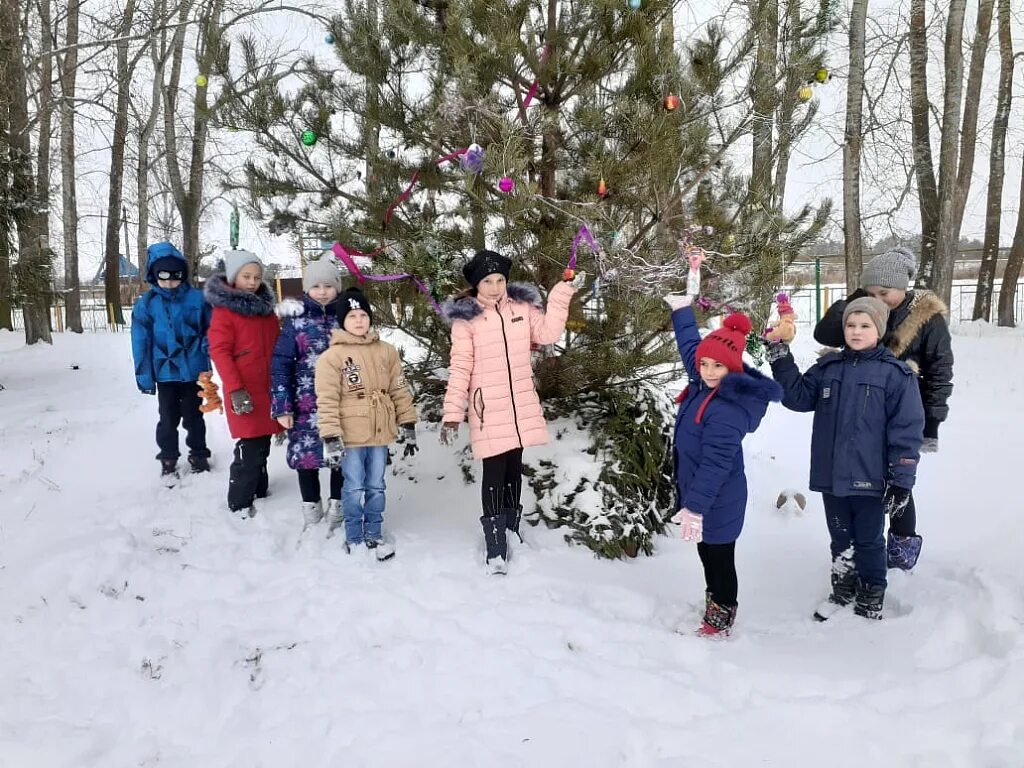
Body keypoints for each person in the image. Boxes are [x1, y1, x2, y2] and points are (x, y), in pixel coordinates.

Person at [767, 297, 924, 621]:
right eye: (851, 325)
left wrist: (901, 482)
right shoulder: (829, 368)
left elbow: (906, 432)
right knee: (839, 537)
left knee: (868, 540)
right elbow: (797, 397)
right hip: (832, 477)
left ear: (879, 330)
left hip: (871, 478)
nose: (856, 331)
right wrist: (780, 356)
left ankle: (872, 591)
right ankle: (844, 586)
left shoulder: (895, 376)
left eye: (865, 325)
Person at [440, 249, 584, 574]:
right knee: (493, 471)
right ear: (476, 284)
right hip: (488, 407)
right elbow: (460, 367)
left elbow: (548, 334)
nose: (494, 286)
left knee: (512, 469)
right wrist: (452, 412)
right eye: (487, 281)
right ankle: (495, 546)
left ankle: (511, 528)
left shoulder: (522, 308)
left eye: (500, 279)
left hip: (519, 404)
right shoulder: (467, 321)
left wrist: (561, 294)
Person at [812, 246, 953, 570]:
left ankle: (902, 545)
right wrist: (856, 299)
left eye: (884, 292)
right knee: (869, 476)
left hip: (905, 410)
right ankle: (866, 543)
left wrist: (932, 421)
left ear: (904, 288)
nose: (878, 297)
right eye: (871, 291)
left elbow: (940, 370)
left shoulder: (926, 318)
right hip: (864, 409)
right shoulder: (866, 310)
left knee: (898, 477)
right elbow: (825, 332)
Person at [665, 295, 783, 637]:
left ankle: (722, 612)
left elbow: (716, 464)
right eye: (705, 365)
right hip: (700, 495)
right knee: (706, 552)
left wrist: (696, 509)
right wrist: (681, 310)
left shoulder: (728, 409)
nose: (708, 370)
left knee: (719, 557)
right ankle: (714, 600)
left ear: (732, 368)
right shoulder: (703, 382)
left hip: (719, 499)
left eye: (718, 366)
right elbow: (692, 347)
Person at [314, 287, 418, 560]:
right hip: (350, 435)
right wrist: (331, 435)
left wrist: (407, 422)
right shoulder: (332, 358)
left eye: (363, 314)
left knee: (376, 485)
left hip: (380, 433)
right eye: (352, 316)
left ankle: (374, 531)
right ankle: (354, 535)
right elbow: (326, 399)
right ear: (342, 321)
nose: (359, 320)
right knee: (354, 486)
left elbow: (399, 389)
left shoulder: (387, 351)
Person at [205, 250, 283, 517]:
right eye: (246, 276)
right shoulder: (224, 312)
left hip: (268, 387)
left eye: (257, 277)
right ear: (233, 276)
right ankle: (239, 501)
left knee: (263, 442)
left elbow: (277, 344)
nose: (252, 281)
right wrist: (236, 388)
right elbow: (220, 351)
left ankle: (259, 490)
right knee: (250, 445)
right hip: (244, 390)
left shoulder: (266, 312)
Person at [271, 257, 344, 532]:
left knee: (340, 457)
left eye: (328, 285)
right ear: (306, 289)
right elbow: (280, 365)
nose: (323, 291)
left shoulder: (346, 319)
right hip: (304, 405)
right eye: (316, 286)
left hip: (339, 403)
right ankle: (311, 506)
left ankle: (338, 504)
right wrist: (282, 406)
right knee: (306, 458)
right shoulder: (296, 323)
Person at [131, 242, 213, 479]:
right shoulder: (147, 305)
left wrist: (207, 348)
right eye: (163, 276)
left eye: (175, 276)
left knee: (194, 415)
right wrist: (145, 376)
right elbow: (140, 341)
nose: (169, 282)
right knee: (167, 418)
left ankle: (198, 453)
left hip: (194, 370)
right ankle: (168, 456)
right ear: (154, 275)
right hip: (165, 372)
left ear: (183, 274)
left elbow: (213, 328)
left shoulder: (198, 300)